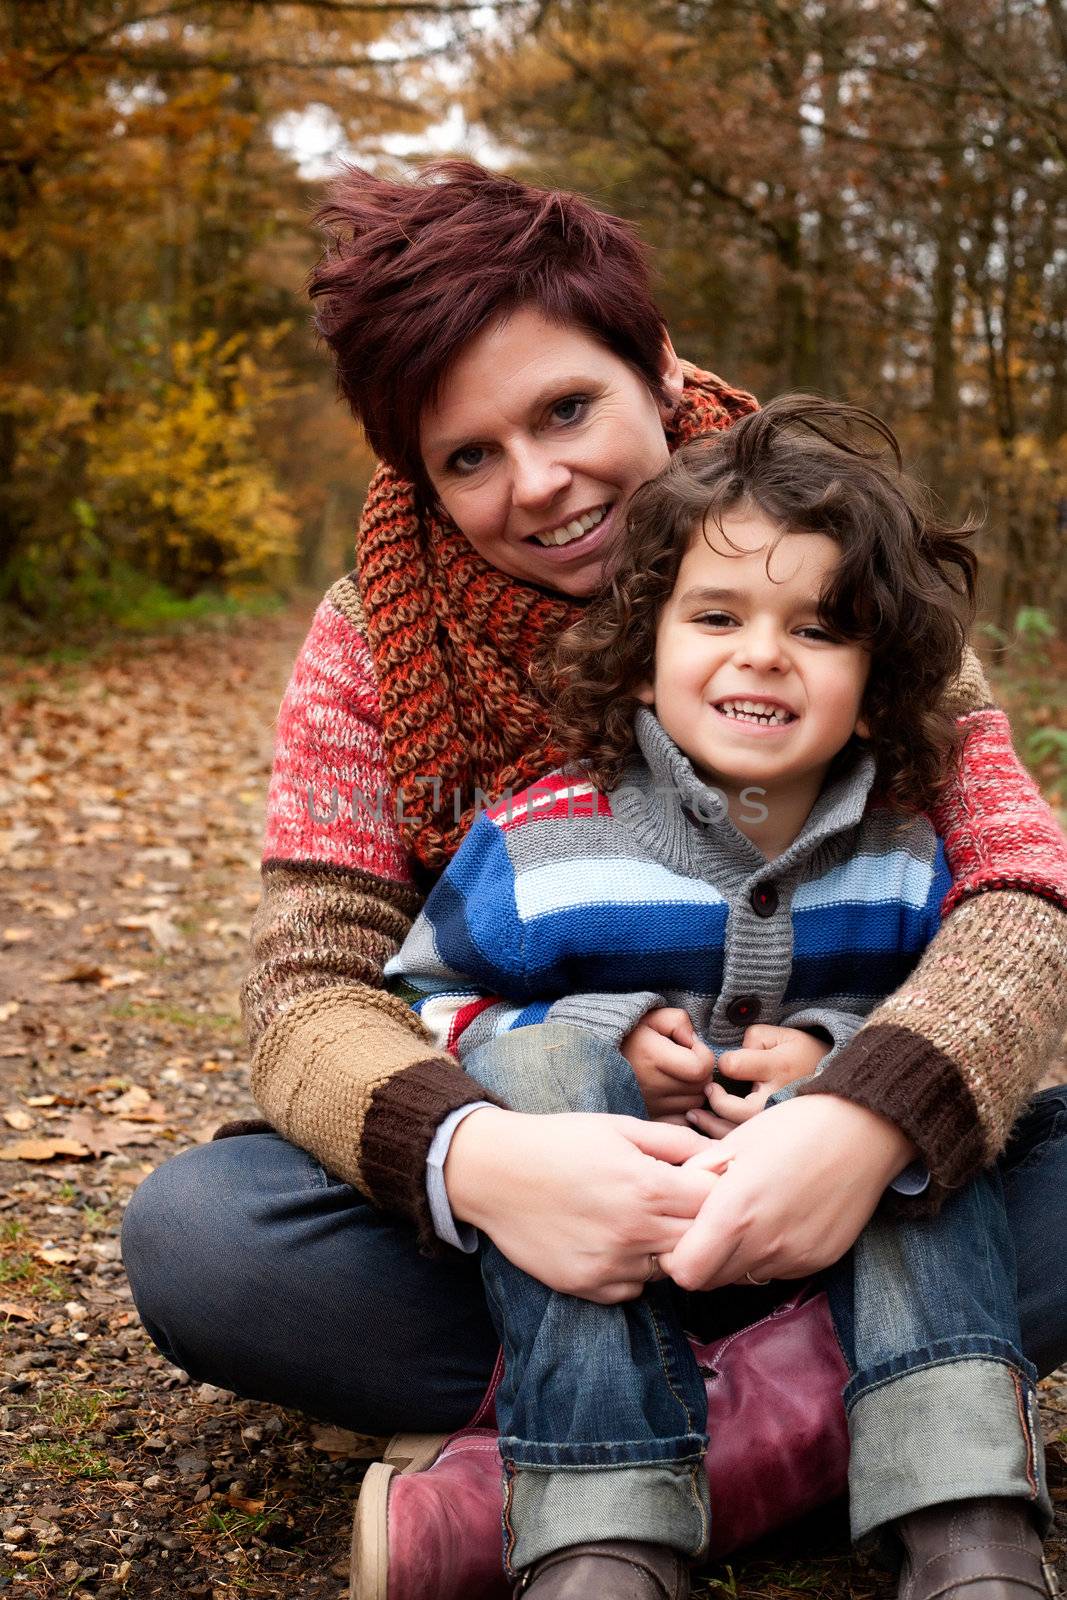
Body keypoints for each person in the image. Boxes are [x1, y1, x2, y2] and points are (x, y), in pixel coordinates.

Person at [119, 162, 1067, 1597]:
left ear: (655, 367)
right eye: (469, 456)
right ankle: (847, 1420)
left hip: (849, 1182)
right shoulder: (376, 635)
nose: (539, 483)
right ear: (415, 477)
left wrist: (872, 1115)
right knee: (209, 1243)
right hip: (554, 1202)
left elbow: (1016, 891)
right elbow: (306, 985)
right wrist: (489, 1163)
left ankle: (578, 1482)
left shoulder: (827, 555)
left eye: (563, 409)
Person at [382, 395, 1055, 1596]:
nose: (760, 653)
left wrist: (831, 1057)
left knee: (919, 1108)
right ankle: (604, 1516)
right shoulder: (540, 843)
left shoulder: (901, 852)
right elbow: (423, 1004)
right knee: (530, 1071)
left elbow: (941, 1007)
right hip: (599, 1242)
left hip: (840, 1235)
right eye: (715, 615)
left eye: (817, 628)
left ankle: (961, 1509)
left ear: (879, 674)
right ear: (641, 648)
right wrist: (589, 1035)